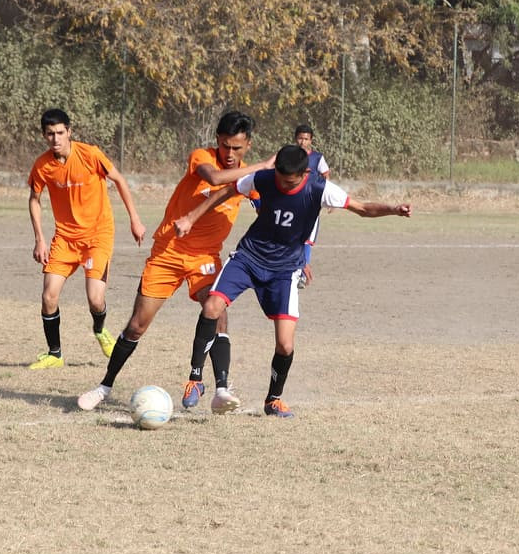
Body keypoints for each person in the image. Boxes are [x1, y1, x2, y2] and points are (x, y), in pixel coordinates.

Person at [173, 144, 411, 418]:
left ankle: (273, 400)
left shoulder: (320, 189)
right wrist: (191, 217)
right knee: (212, 307)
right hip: (248, 257)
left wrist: (393, 209)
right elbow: (228, 190)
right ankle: (195, 380)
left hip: (284, 270)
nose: (283, 185)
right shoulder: (264, 178)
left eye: (290, 181)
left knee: (285, 345)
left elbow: (362, 208)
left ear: (305, 173)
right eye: (280, 179)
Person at [76, 111, 273, 413]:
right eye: (224, 145)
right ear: (217, 141)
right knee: (137, 326)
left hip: (206, 258)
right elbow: (216, 178)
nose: (229, 153)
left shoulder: (251, 180)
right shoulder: (202, 157)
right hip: (168, 253)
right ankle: (104, 386)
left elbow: (267, 212)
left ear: (248, 145)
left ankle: (221, 388)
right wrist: (263, 166)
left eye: (236, 148)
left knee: (217, 310)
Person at [27, 108, 145, 369]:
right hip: (65, 240)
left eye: (60, 132)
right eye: (50, 134)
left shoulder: (90, 154)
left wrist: (134, 219)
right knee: (49, 296)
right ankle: (54, 354)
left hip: (97, 237)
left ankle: (101, 331)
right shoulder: (42, 165)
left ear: (69, 131)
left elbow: (119, 180)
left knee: (95, 299)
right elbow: (34, 200)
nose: (55, 138)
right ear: (44, 136)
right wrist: (39, 238)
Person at [292, 123, 330, 288]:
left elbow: (326, 175)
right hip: (292, 203)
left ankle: (301, 274)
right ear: (295, 139)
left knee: (307, 240)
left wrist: (327, 197)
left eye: (306, 139)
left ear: (311, 140)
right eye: (300, 138)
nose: (302, 142)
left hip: (310, 206)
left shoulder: (317, 158)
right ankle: (291, 268)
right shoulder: (290, 156)